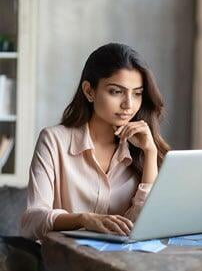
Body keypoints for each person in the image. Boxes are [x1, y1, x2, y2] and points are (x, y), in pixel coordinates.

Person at [21, 43, 170, 241]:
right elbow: (33, 220)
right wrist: (84, 219)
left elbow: (145, 226)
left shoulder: (141, 148)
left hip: (120, 261)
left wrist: (150, 154)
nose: (128, 104)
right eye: (116, 91)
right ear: (89, 91)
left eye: (137, 93)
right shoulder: (53, 140)